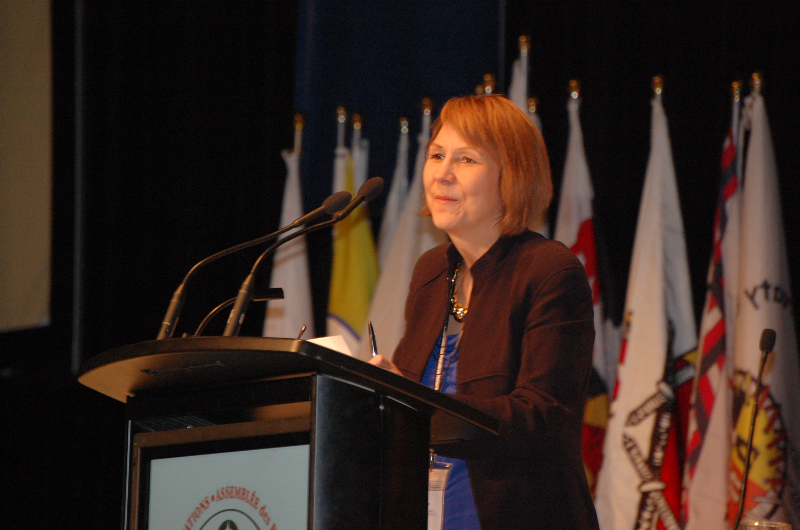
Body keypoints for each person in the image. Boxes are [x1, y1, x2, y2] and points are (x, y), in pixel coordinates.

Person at [369, 94, 599, 530]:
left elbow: (540, 418)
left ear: (511, 176)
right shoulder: (431, 272)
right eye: (437, 154)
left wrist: (413, 403)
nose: (443, 173)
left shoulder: (548, 269)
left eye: (466, 159)